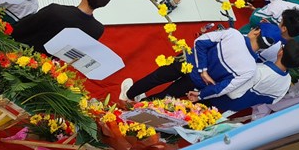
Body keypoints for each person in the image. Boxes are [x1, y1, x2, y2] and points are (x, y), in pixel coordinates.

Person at [118, 23, 282, 102]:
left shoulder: (233, 34)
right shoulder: (251, 68)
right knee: (166, 96)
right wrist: (201, 95)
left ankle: (129, 95)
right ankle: (138, 108)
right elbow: (223, 88)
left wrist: (203, 68)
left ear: (256, 31)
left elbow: (200, 42)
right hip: (195, 83)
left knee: (157, 78)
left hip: (186, 62)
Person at [10, 0, 112, 54]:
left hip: (15, 50)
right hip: (43, 65)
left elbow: (20, 29)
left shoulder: (55, 11)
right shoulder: (97, 30)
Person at [207, 41, 299, 112]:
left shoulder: (259, 71)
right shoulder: (287, 82)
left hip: (219, 99)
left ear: (281, 52)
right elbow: (272, 101)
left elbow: (232, 93)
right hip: (237, 108)